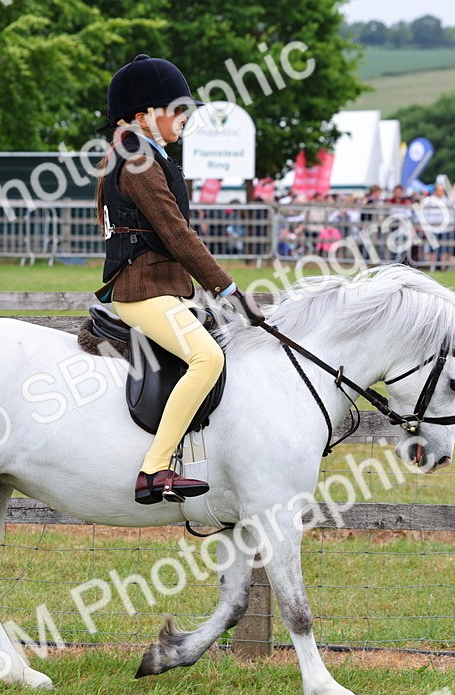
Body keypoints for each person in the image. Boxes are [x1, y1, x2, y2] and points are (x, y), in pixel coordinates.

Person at [95, 54, 265, 504]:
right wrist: (227, 289)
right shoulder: (137, 161)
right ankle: (154, 470)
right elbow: (175, 233)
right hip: (142, 291)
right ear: (141, 116)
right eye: (177, 109)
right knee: (208, 359)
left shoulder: (140, 154)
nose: (185, 118)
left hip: (160, 287)